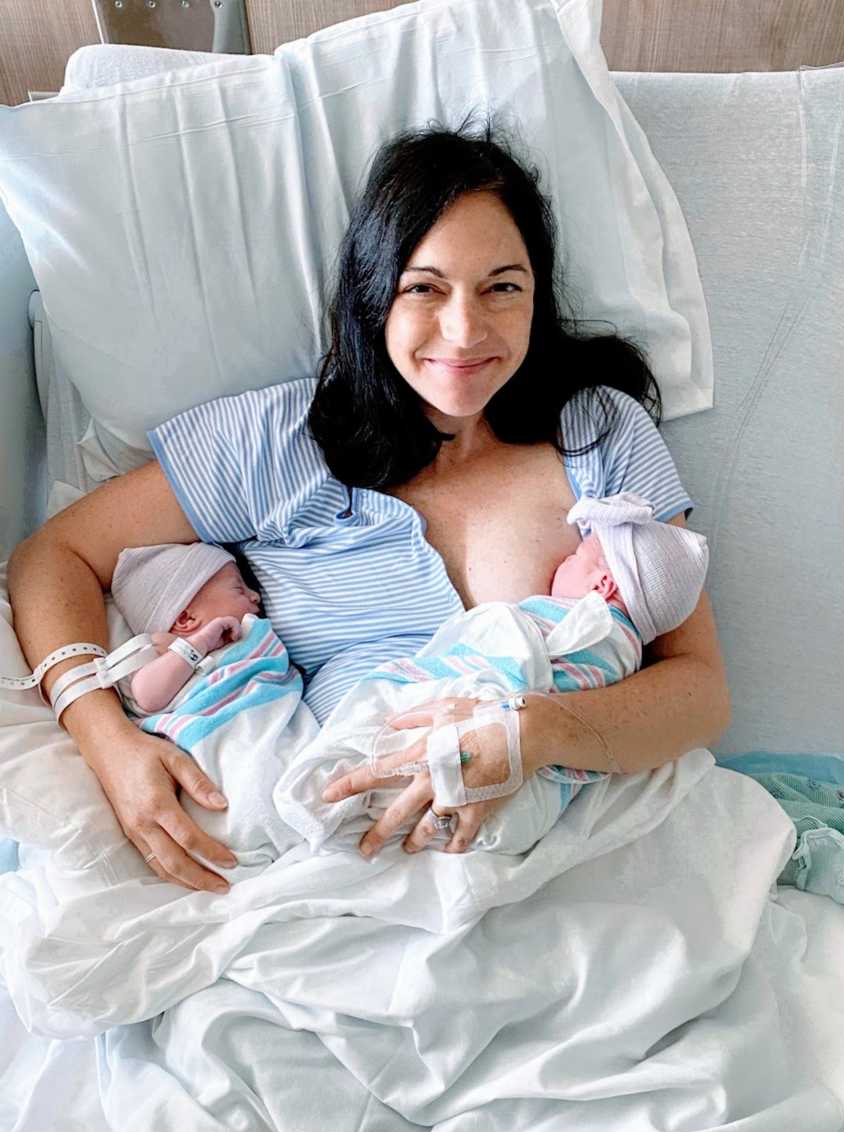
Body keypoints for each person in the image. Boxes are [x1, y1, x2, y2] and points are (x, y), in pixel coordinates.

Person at [7, 120, 731, 894]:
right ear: (373, 293)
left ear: (537, 297)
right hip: (347, 859)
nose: (465, 330)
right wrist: (107, 739)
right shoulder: (277, 441)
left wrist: (536, 736)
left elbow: (699, 688)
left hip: (565, 856)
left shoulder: (597, 433)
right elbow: (53, 556)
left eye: (503, 287)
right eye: (424, 287)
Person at [278, 491, 709, 856]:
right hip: (509, 791)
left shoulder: (586, 627)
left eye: (577, 556)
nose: (564, 559)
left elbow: (521, 668)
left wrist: (512, 726)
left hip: (493, 731)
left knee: (380, 751)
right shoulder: (621, 650)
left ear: (602, 588)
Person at [108, 543, 318, 881]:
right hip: (213, 739)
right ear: (186, 618)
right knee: (249, 791)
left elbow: (270, 673)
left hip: (261, 718)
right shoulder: (167, 654)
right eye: (239, 588)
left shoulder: (251, 638)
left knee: (288, 774)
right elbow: (147, 696)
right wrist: (197, 645)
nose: (255, 598)